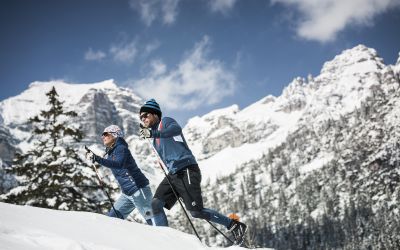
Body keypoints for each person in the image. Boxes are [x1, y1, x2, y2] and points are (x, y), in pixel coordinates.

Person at [138, 99, 247, 242]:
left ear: (155, 114)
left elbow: (175, 130)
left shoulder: (166, 122)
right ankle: (163, 240)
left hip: (186, 169)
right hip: (173, 174)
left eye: (145, 115)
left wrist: (153, 134)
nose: (143, 118)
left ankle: (233, 224)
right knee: (155, 204)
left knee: (196, 212)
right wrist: (151, 134)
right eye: (141, 117)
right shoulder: (153, 136)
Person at [86, 125, 164, 225]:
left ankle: (165, 239)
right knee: (112, 219)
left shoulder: (121, 148)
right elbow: (110, 163)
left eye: (105, 134)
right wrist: (94, 158)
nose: (102, 137)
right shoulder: (111, 152)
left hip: (138, 190)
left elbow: (119, 164)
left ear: (115, 135)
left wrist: (96, 158)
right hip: (127, 194)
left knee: (152, 220)